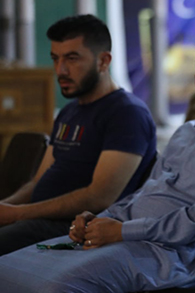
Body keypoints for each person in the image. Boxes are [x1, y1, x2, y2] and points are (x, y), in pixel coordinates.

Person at [0, 36, 195, 293]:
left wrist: (122, 231)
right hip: (126, 235)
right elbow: (146, 193)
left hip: (167, 253)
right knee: (5, 270)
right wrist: (100, 219)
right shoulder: (186, 131)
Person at [0, 15, 157, 256]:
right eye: (55, 59)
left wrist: (17, 214)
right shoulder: (69, 111)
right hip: (36, 222)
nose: (60, 70)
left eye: (72, 59)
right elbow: (36, 183)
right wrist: (6, 206)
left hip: (76, 233)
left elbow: (99, 198)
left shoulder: (127, 114)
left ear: (103, 61)